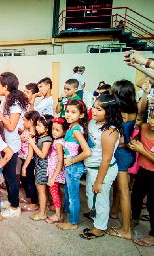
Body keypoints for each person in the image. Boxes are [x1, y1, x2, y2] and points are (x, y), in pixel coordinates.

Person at [81, 94, 122, 240]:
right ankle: (95, 214)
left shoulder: (109, 131)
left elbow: (106, 159)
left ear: (109, 112)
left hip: (103, 170)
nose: (95, 111)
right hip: (92, 168)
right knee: (91, 196)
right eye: (94, 107)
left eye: (99, 109)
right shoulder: (94, 122)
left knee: (101, 199)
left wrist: (99, 181)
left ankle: (100, 227)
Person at [0, 72, 28, 218]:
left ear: (5, 86)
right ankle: (11, 201)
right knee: (6, 175)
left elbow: (11, 126)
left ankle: (15, 207)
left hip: (11, 145)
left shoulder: (15, 103)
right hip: (5, 143)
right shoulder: (7, 99)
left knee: (11, 177)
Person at [108, 80, 137, 240]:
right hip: (127, 152)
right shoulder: (134, 109)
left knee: (124, 191)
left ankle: (126, 230)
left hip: (121, 153)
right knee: (119, 187)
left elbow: (120, 139)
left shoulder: (122, 113)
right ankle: (114, 211)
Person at [57, 100, 92, 230]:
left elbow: (87, 152)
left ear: (81, 115)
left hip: (73, 167)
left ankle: (73, 223)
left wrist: (71, 161)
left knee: (73, 197)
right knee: (68, 193)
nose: (68, 115)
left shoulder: (76, 130)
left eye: (73, 112)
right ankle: (69, 215)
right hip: (70, 167)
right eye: (67, 111)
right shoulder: (71, 127)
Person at [129, 110, 154, 247]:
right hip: (143, 170)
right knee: (136, 196)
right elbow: (136, 142)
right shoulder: (144, 128)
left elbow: (142, 149)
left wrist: (143, 151)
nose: (152, 122)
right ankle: (134, 218)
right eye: (152, 118)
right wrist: (133, 144)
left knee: (152, 204)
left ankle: (153, 235)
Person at [23, 115, 53, 221]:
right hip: (39, 166)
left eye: (39, 126)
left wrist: (32, 143)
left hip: (43, 167)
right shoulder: (41, 137)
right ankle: (43, 209)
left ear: (47, 128)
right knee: (41, 190)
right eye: (37, 125)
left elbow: (43, 155)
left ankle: (42, 213)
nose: (36, 128)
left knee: (41, 191)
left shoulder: (47, 139)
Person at [46, 117, 68, 224]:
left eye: (57, 130)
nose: (54, 132)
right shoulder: (58, 140)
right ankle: (57, 208)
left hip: (55, 172)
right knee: (57, 192)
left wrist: (53, 177)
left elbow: (60, 161)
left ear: (64, 131)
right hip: (54, 171)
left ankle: (58, 215)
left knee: (54, 193)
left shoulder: (59, 143)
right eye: (53, 129)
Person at [19, 111, 40, 211]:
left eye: (24, 120)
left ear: (31, 121)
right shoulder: (27, 131)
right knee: (24, 180)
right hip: (24, 159)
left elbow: (30, 154)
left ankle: (34, 202)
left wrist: (24, 167)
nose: (23, 122)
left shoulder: (32, 135)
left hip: (29, 161)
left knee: (30, 181)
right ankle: (29, 198)